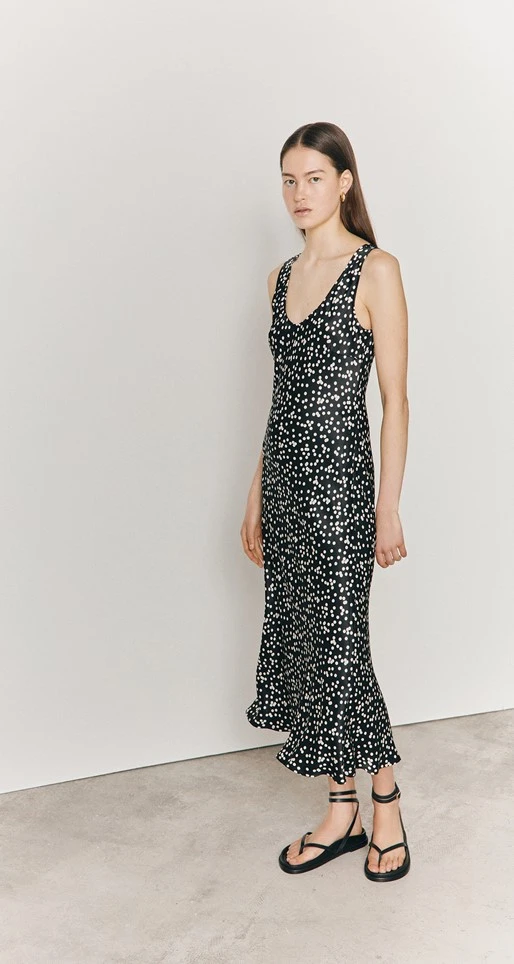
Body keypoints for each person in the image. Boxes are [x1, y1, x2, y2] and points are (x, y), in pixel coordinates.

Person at [241, 122, 411, 882]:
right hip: (285, 488)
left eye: (313, 177)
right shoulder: (279, 279)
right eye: (288, 179)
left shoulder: (376, 270)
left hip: (342, 491)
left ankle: (386, 805)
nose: (299, 193)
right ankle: (340, 810)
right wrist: (255, 495)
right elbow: (280, 402)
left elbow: (395, 401)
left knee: (343, 648)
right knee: (308, 647)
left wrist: (387, 507)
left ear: (344, 182)